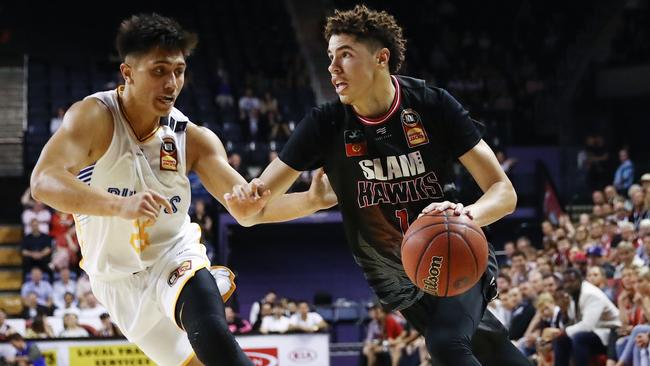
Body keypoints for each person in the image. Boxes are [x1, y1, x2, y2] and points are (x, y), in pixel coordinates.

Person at [228, 5, 529, 365]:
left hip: (451, 249)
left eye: (345, 55)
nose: (333, 67)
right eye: (329, 57)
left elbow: (503, 191)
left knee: (446, 343)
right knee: (489, 347)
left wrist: (465, 215)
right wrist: (298, 201)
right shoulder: (324, 125)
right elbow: (255, 208)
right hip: (395, 278)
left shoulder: (433, 106)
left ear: (381, 58)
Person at [29, 13, 327, 366]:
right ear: (127, 73)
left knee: (214, 336)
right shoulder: (94, 118)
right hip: (115, 282)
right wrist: (118, 206)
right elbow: (43, 182)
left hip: (174, 254)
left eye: (179, 71)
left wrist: (312, 200)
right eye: (158, 71)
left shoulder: (192, 138)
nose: (171, 83)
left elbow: (248, 210)